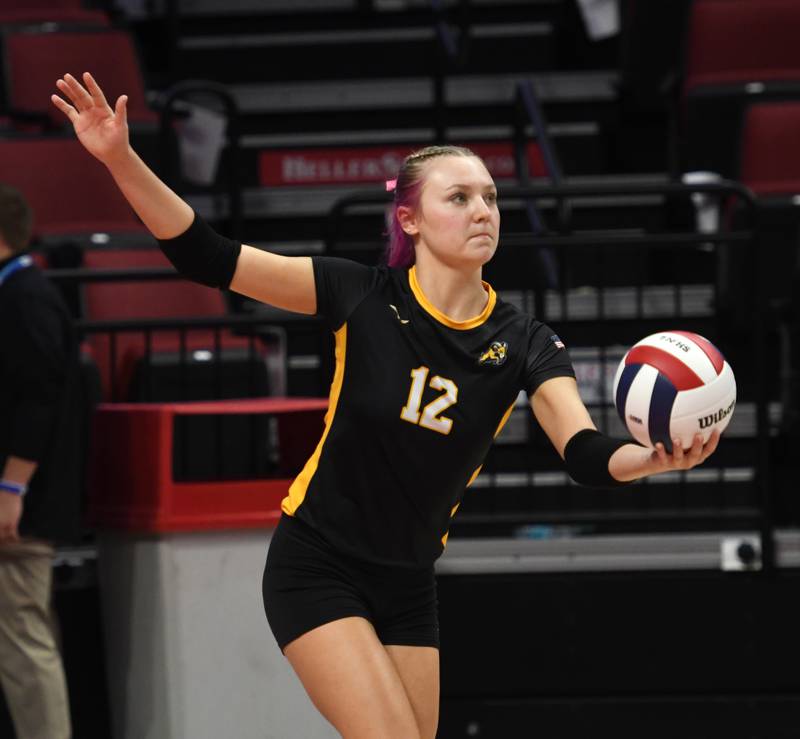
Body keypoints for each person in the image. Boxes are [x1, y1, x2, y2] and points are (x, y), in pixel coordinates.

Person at [52, 72, 720, 739]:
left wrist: (653, 458)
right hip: (317, 563)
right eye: (458, 197)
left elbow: (582, 453)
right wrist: (120, 157)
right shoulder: (360, 295)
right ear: (410, 218)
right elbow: (208, 256)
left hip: (408, 582)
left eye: (490, 196)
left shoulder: (526, 342)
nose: (483, 210)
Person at [0, 183, 81, 739]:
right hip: (17, 497)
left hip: (20, 504)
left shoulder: (23, 297)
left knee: (24, 640)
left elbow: (39, 398)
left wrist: (10, 489)